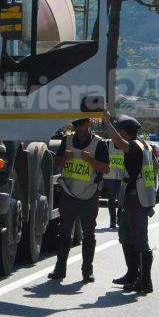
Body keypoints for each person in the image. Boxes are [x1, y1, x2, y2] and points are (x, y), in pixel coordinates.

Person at [48, 118, 110, 283]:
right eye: (75, 125)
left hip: (89, 195)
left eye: (81, 125)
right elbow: (57, 163)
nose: (78, 128)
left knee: (89, 233)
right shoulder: (67, 140)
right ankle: (59, 269)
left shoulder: (99, 144)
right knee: (65, 232)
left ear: (89, 124)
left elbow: (106, 169)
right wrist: (64, 158)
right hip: (69, 193)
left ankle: (87, 271)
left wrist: (91, 161)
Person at [103, 112, 157, 294]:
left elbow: (118, 143)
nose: (118, 133)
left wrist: (106, 121)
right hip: (135, 196)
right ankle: (133, 274)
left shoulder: (135, 146)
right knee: (126, 235)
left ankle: (145, 281)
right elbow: (155, 166)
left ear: (125, 133)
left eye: (119, 131)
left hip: (137, 198)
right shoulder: (145, 146)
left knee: (140, 240)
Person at [104, 137, 126, 229]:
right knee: (111, 199)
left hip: (121, 177)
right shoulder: (108, 144)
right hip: (109, 176)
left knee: (121, 199)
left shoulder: (125, 145)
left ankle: (119, 218)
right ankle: (112, 222)